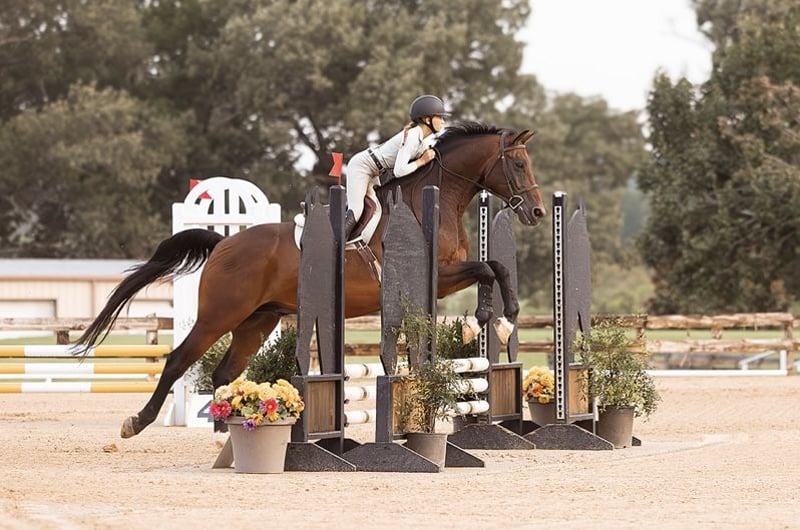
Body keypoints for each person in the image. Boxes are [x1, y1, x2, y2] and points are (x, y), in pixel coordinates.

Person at [343, 94, 450, 239]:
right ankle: (334, 245)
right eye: (440, 117)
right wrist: (422, 161)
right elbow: (399, 171)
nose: (443, 121)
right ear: (427, 119)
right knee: (356, 209)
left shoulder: (422, 141)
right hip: (361, 166)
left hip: (375, 171)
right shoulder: (412, 136)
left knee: (376, 210)